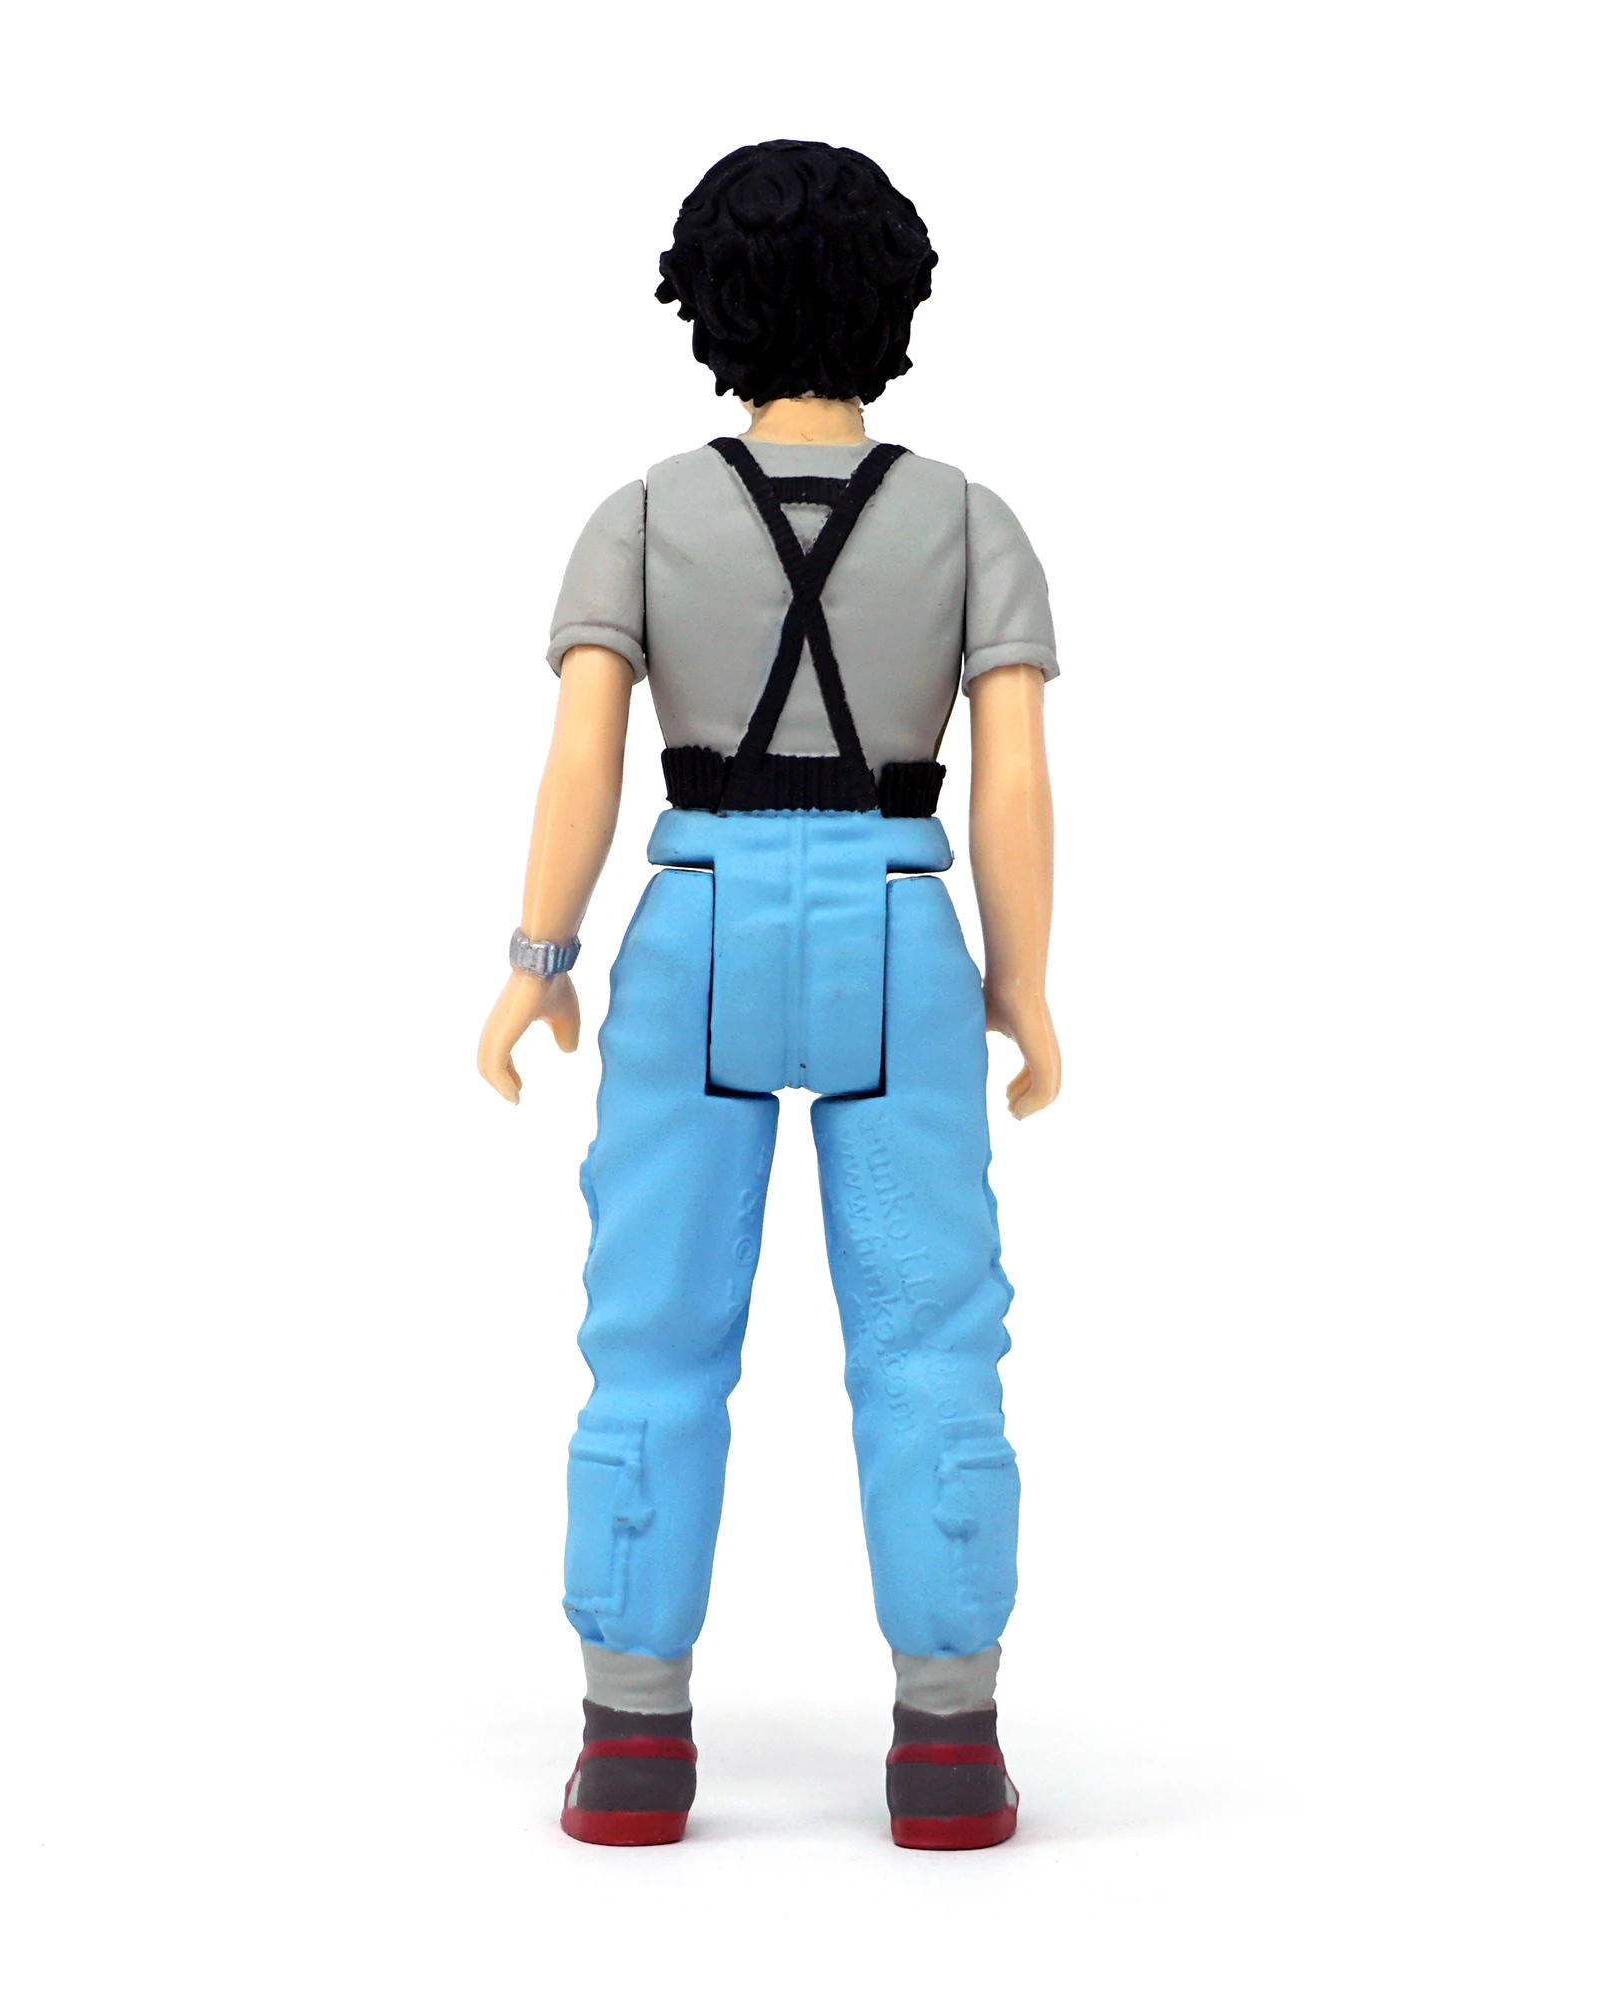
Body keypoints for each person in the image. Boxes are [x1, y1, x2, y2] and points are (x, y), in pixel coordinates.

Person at [477, 139, 1061, 1849]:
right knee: (931, 1337)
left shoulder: (643, 515)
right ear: (896, 304)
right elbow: (1013, 782)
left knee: (652, 1332)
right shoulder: (973, 522)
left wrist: (536, 960)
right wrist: (1024, 987)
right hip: (896, 921)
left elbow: (581, 763)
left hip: (701, 921)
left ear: (706, 307)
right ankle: (948, 1741)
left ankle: (631, 1737)